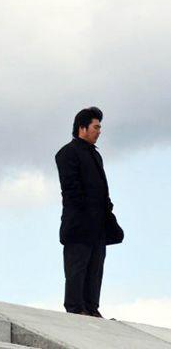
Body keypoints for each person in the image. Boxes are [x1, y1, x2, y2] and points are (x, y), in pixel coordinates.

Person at [55, 107, 123, 317]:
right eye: (96, 126)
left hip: (98, 226)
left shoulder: (95, 155)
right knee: (77, 269)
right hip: (79, 225)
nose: (99, 131)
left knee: (95, 270)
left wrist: (106, 212)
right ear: (82, 128)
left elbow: (102, 190)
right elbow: (71, 190)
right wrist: (87, 212)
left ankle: (92, 308)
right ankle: (76, 309)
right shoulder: (67, 152)